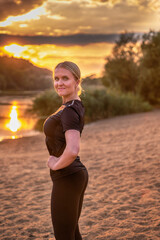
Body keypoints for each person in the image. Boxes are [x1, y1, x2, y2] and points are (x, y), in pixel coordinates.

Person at [43, 61, 88, 240]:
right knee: (72, 234)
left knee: (63, 236)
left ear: (77, 82)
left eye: (65, 78)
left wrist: (55, 165)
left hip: (68, 177)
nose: (59, 83)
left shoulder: (69, 110)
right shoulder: (73, 105)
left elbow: (72, 149)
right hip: (73, 175)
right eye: (56, 78)